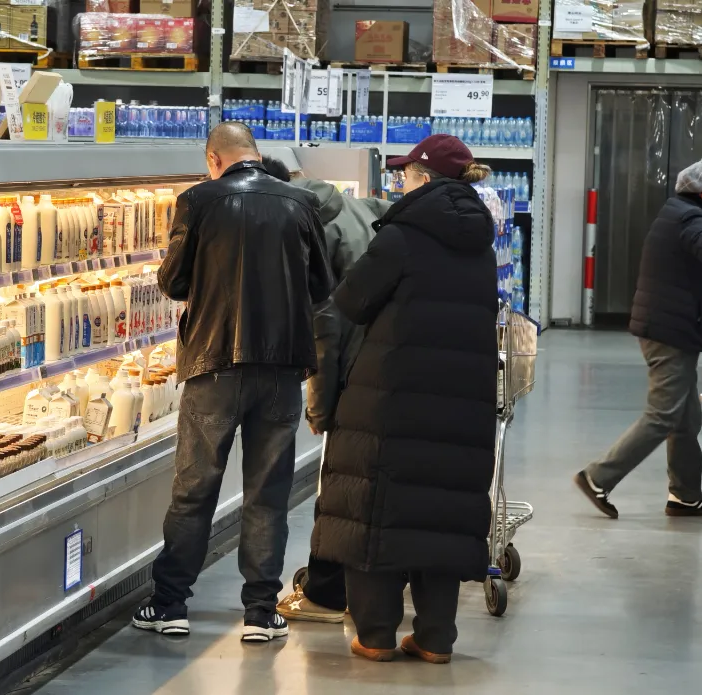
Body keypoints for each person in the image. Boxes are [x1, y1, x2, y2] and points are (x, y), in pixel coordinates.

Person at [133, 123, 334, 643]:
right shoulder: (300, 202)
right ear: (255, 153)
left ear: (213, 160)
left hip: (213, 365)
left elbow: (172, 281)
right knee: (268, 493)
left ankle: (170, 604)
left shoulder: (198, 201)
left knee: (194, 490)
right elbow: (321, 285)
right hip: (282, 371)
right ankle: (261, 612)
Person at [309, 134, 499, 663]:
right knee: (441, 511)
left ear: (423, 178)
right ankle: (436, 639)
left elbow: (351, 301)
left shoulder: (401, 237)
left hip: (391, 395)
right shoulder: (480, 245)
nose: (399, 181)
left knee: (376, 506)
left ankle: (375, 634)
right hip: (462, 399)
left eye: (405, 173)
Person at [575, 160, 702, 519]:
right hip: (670, 332)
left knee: (685, 419)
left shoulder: (682, 213)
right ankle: (597, 477)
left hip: (673, 327)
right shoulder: (690, 217)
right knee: (662, 416)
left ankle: (685, 495)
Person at [258, 157, 394, 624]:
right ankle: (365, 583)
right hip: (384, 362)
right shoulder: (352, 205)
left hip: (356, 372)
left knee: (339, 488)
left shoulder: (305, 229)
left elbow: (324, 328)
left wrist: (320, 407)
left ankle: (326, 595)